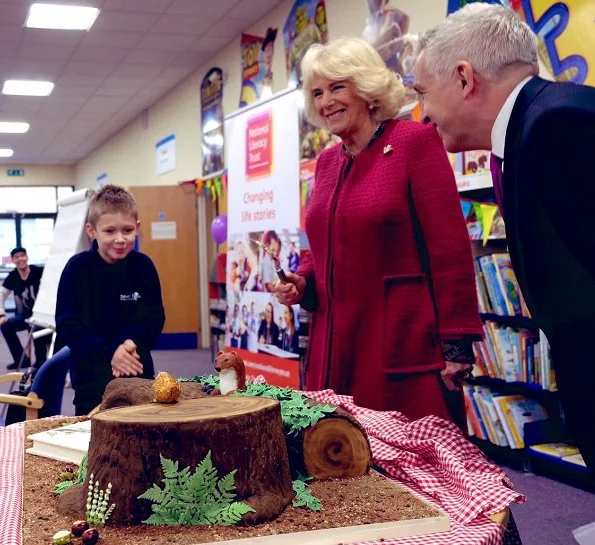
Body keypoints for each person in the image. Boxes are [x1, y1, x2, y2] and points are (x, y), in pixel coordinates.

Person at [414, 3, 595, 471]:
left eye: (423, 94)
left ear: (463, 78)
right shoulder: (538, 125)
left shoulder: (558, 127)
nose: (424, 116)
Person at [275, 37, 482, 422]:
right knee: (335, 461)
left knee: (408, 470)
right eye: (317, 92)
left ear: (366, 87)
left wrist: (456, 345)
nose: (325, 101)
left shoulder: (414, 142)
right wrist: (302, 280)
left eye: (338, 87)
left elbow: (449, 249)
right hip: (330, 345)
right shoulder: (326, 163)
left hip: (399, 343)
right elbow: (322, 246)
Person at [55, 185, 165, 416]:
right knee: (94, 440)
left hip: (137, 370)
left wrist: (128, 344)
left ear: (137, 228)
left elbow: (154, 318)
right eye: (110, 231)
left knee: (142, 438)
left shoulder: (143, 266)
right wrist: (110, 352)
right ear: (91, 230)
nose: (120, 239)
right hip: (91, 377)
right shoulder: (77, 269)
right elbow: (68, 326)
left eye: (127, 230)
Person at [0, 247, 47, 370]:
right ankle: (22, 359)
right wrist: (1, 314)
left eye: (22, 255)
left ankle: (40, 362)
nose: (20, 259)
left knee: (37, 326)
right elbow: (1, 294)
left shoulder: (38, 271)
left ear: (27, 257)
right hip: (24, 315)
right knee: (6, 326)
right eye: (17, 257)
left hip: (41, 313)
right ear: (13, 260)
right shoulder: (13, 276)